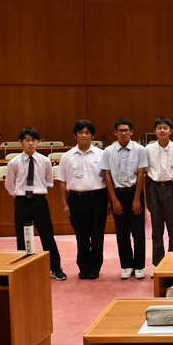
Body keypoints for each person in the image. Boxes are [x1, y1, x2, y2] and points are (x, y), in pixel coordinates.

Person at [5, 127, 66, 280]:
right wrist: (20, 195)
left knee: (47, 235)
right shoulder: (14, 162)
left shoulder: (45, 161)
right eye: (27, 140)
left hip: (39, 201)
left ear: (38, 142)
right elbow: (9, 185)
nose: (31, 143)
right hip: (21, 202)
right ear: (21, 142)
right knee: (22, 236)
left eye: (34, 140)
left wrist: (36, 192)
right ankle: (24, 268)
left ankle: (55, 268)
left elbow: (48, 181)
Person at [58, 120, 108, 280]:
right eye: (80, 133)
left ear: (92, 135)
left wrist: (108, 202)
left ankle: (95, 267)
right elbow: (62, 181)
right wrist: (65, 204)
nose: (84, 135)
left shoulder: (101, 154)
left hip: (98, 198)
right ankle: (83, 266)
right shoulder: (67, 156)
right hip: (76, 199)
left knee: (97, 234)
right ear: (75, 135)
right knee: (81, 235)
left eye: (87, 133)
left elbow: (108, 180)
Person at [100, 118, 148, 279]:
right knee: (122, 232)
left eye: (126, 130)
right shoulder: (108, 151)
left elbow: (141, 174)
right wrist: (113, 199)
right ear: (115, 132)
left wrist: (136, 199)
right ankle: (127, 265)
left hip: (134, 192)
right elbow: (106, 175)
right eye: (120, 130)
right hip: (117, 194)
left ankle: (139, 266)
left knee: (138, 231)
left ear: (131, 132)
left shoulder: (140, 149)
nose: (123, 133)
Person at [145, 117, 173, 270]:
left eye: (165, 128)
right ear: (154, 131)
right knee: (156, 227)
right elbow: (145, 172)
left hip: (171, 186)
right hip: (154, 186)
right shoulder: (148, 149)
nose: (162, 130)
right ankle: (158, 264)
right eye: (159, 128)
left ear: (171, 131)